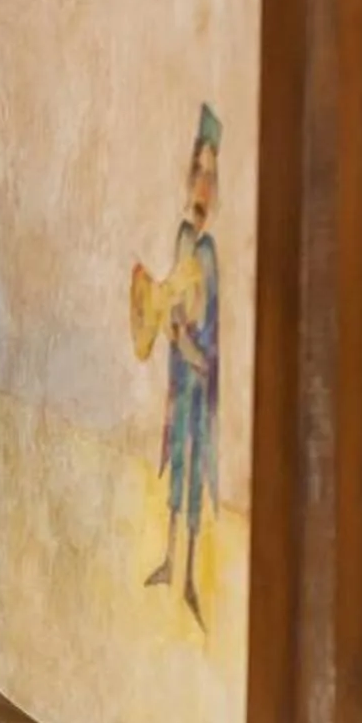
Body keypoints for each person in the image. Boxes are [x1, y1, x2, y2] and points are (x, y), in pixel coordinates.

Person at [130, 106, 221, 627]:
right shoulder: (184, 240)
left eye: (210, 174)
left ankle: (187, 573)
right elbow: (169, 297)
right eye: (198, 172)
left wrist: (189, 341)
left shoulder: (206, 249)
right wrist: (158, 308)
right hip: (178, 371)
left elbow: (205, 316)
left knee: (192, 471)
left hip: (196, 368)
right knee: (177, 467)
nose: (202, 183)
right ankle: (169, 558)